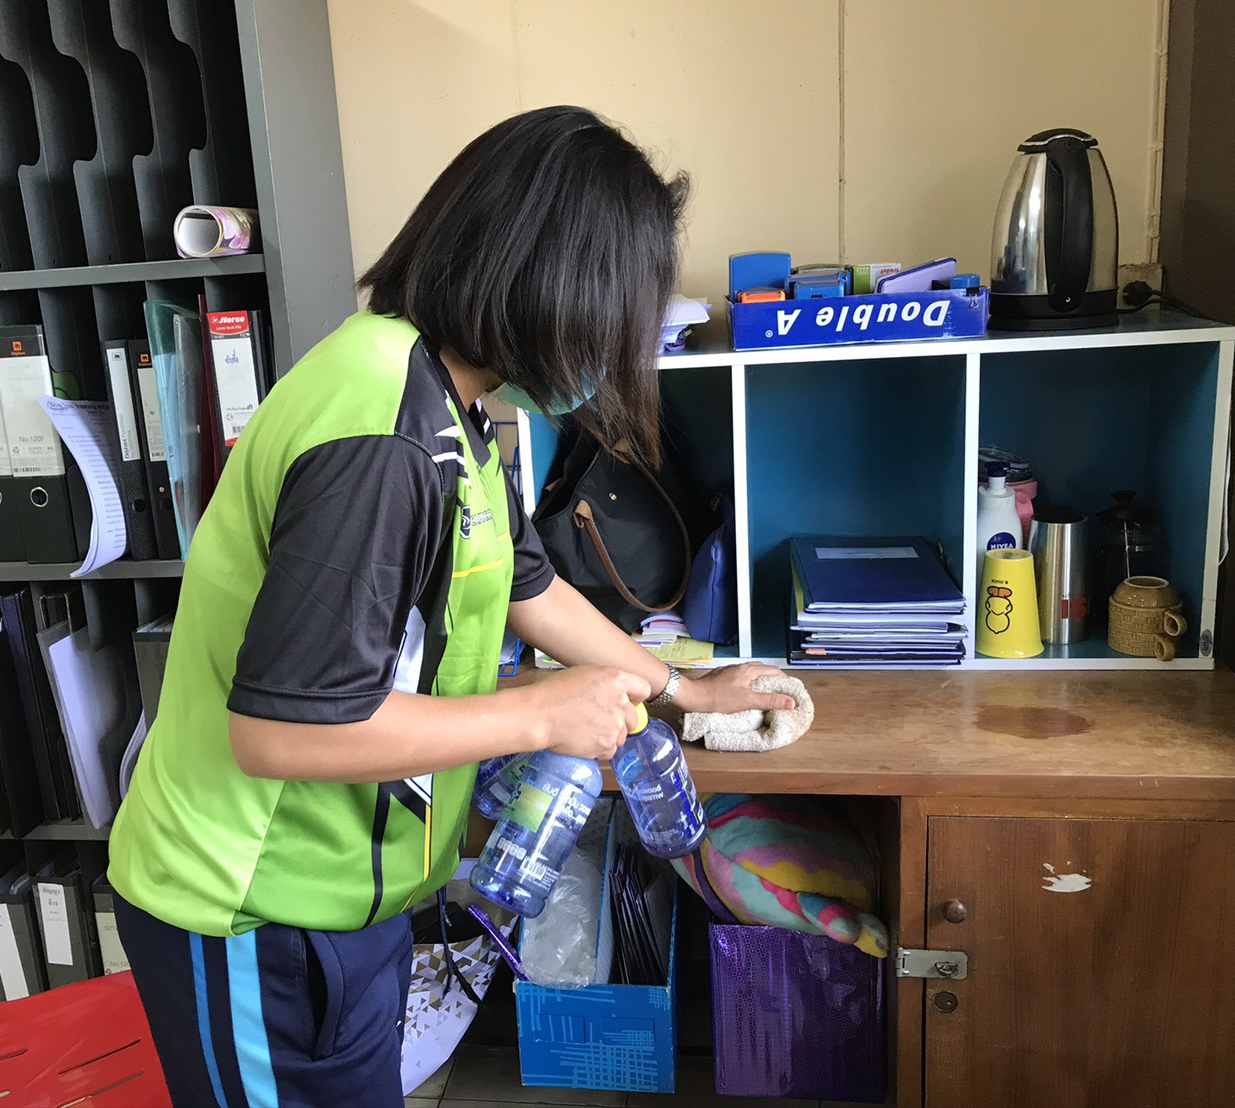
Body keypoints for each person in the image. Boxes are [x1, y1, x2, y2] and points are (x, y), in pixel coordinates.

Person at [107, 105, 794, 1108]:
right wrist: (541, 714)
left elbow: (528, 586)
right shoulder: (381, 433)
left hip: (339, 895)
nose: (617, 346)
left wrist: (682, 690)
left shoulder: (450, 406)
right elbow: (280, 730)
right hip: (249, 907)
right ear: (554, 284)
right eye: (619, 312)